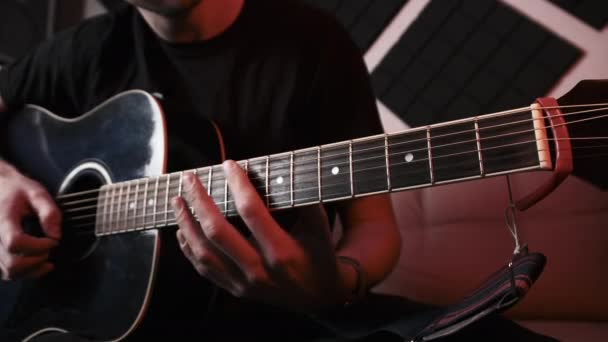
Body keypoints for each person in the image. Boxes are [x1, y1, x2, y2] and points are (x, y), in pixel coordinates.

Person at [0, 1, 557, 341]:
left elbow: (374, 228)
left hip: (281, 321)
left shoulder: (312, 44)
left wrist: (332, 282)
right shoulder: (81, 53)